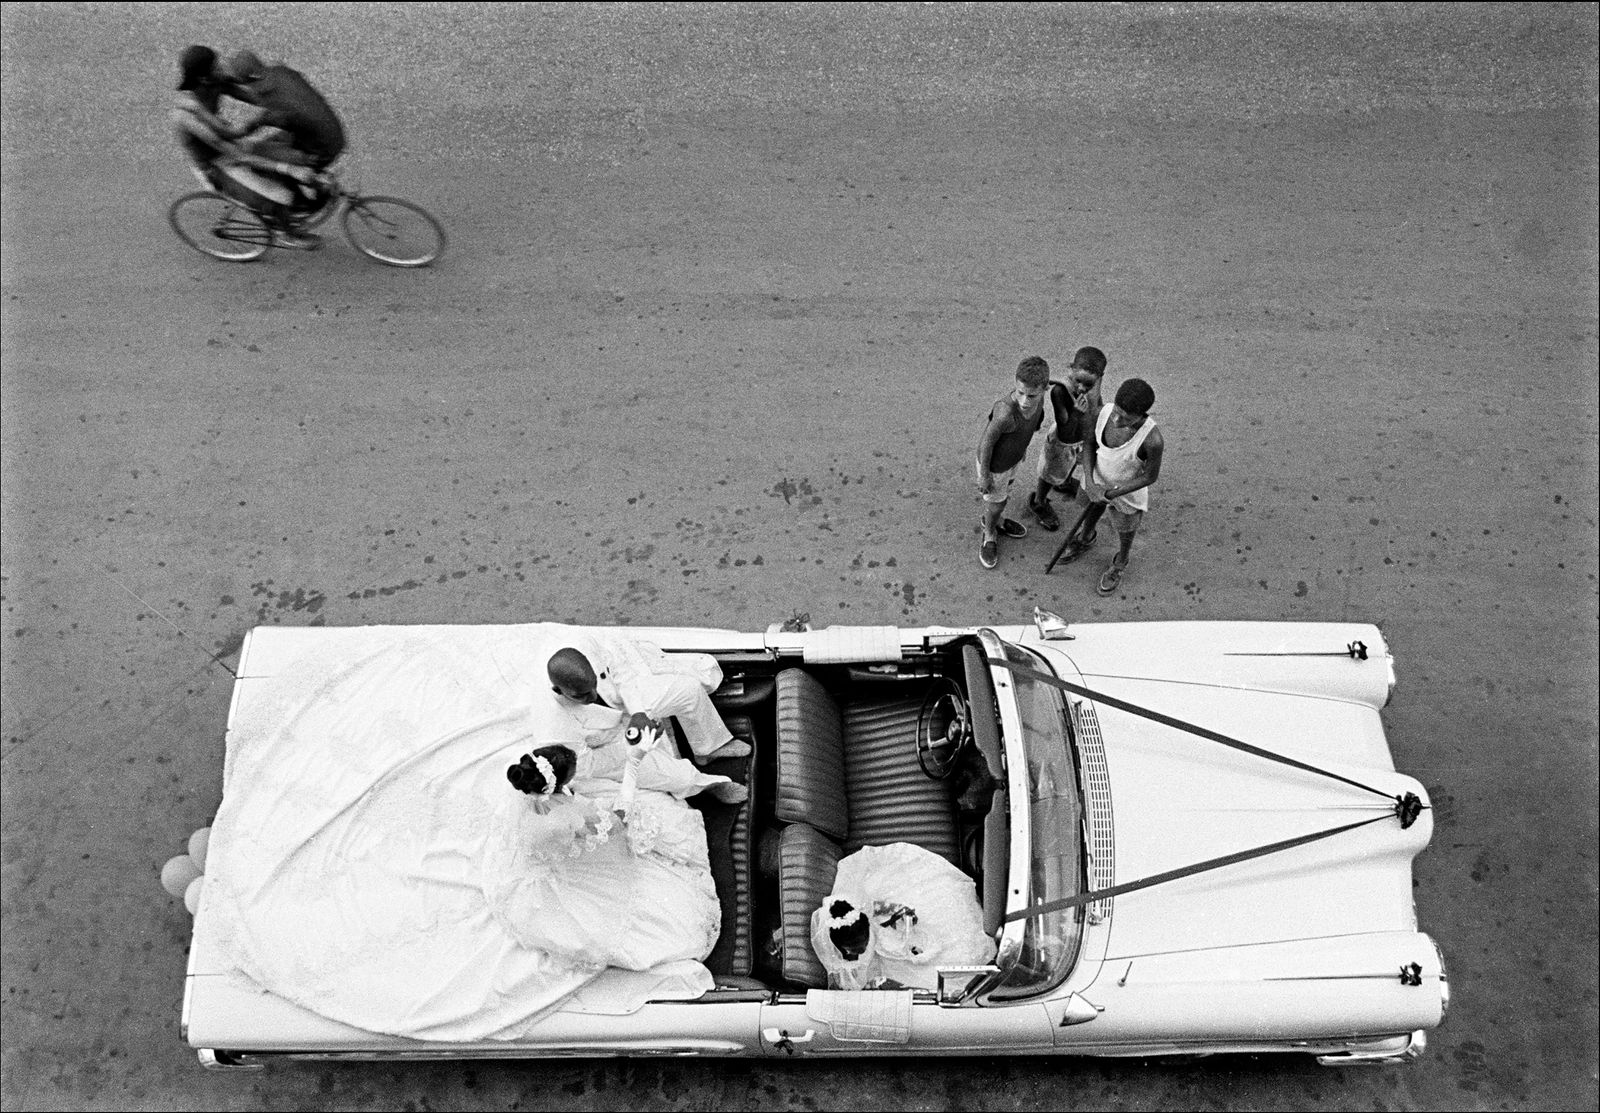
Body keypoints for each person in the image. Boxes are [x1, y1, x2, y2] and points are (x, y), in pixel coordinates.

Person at [489, 742, 723, 971]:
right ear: (560, 782)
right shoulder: (570, 815)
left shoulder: (525, 794)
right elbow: (618, 821)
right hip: (561, 872)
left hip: (538, 855)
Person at [211, 49, 347, 247]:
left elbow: (253, 124)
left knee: (258, 156)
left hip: (318, 150)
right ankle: (308, 192)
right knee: (272, 146)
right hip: (331, 135)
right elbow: (258, 96)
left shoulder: (273, 105)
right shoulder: (280, 72)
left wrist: (231, 133)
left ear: (244, 79)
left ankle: (287, 227)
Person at [547, 640, 752, 766]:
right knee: (668, 763)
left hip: (626, 701)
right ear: (559, 690)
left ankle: (707, 748)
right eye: (581, 695)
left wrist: (638, 713)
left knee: (689, 689)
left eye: (593, 687)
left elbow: (623, 676)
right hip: (610, 737)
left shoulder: (593, 651)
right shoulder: (555, 715)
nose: (592, 696)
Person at [1072, 378, 1164, 596]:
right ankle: (1086, 538)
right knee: (1090, 512)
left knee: (1125, 529)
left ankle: (1121, 561)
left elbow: (1150, 477)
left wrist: (1112, 492)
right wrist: (1092, 483)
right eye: (1117, 411)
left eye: (1124, 417)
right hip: (1095, 479)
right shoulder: (1101, 413)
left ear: (1142, 415)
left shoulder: (1152, 440)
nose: (1115, 419)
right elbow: (1088, 445)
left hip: (1126, 492)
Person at [975, 356, 1051, 569]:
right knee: (997, 502)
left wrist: (1021, 449)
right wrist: (985, 475)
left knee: (1002, 497)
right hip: (995, 467)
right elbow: (986, 444)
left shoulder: (1041, 400)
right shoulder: (1005, 413)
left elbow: (1034, 422)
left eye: (1031, 395)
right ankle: (989, 533)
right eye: (1020, 393)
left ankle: (995, 520)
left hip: (1012, 461)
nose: (1025, 401)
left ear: (1044, 389)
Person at [1027, 346, 1107, 532]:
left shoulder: (1093, 384)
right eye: (1078, 381)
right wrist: (1078, 414)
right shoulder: (1060, 393)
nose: (1082, 388)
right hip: (1062, 444)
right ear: (1071, 369)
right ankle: (1039, 501)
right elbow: (1065, 431)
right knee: (1050, 474)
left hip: (1081, 440)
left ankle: (1063, 483)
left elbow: (1097, 405)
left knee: (1069, 467)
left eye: (1089, 385)